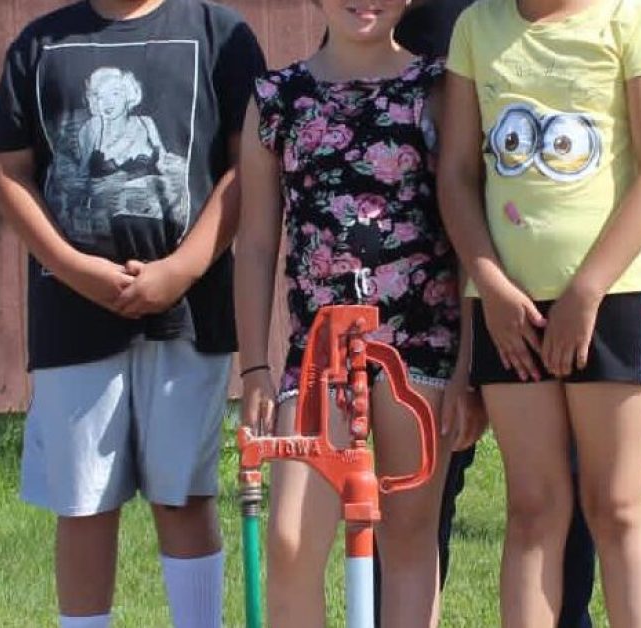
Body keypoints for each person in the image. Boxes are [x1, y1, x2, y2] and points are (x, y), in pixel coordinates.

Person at [0, 0, 264, 626]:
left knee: (184, 495)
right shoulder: (39, 44)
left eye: (115, 98)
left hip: (189, 312)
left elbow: (249, 167)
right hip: (71, 314)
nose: (107, 105)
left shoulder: (219, 35)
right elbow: (8, 170)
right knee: (84, 503)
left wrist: (183, 267)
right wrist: (75, 268)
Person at [234, 0, 484, 624]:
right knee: (290, 542)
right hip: (315, 357)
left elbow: (468, 236)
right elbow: (258, 242)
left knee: (408, 537)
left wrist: (468, 370)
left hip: (420, 348)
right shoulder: (275, 98)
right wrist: (254, 368)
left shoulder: (439, 89)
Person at [438, 0, 641, 624]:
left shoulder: (631, 16)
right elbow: (458, 175)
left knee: (616, 504)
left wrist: (588, 289)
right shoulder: (475, 26)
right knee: (534, 506)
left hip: (613, 297)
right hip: (507, 308)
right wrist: (490, 285)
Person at [394, 2, 599, 626]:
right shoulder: (423, 17)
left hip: (544, 291)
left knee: (562, 488)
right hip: (429, 293)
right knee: (419, 499)